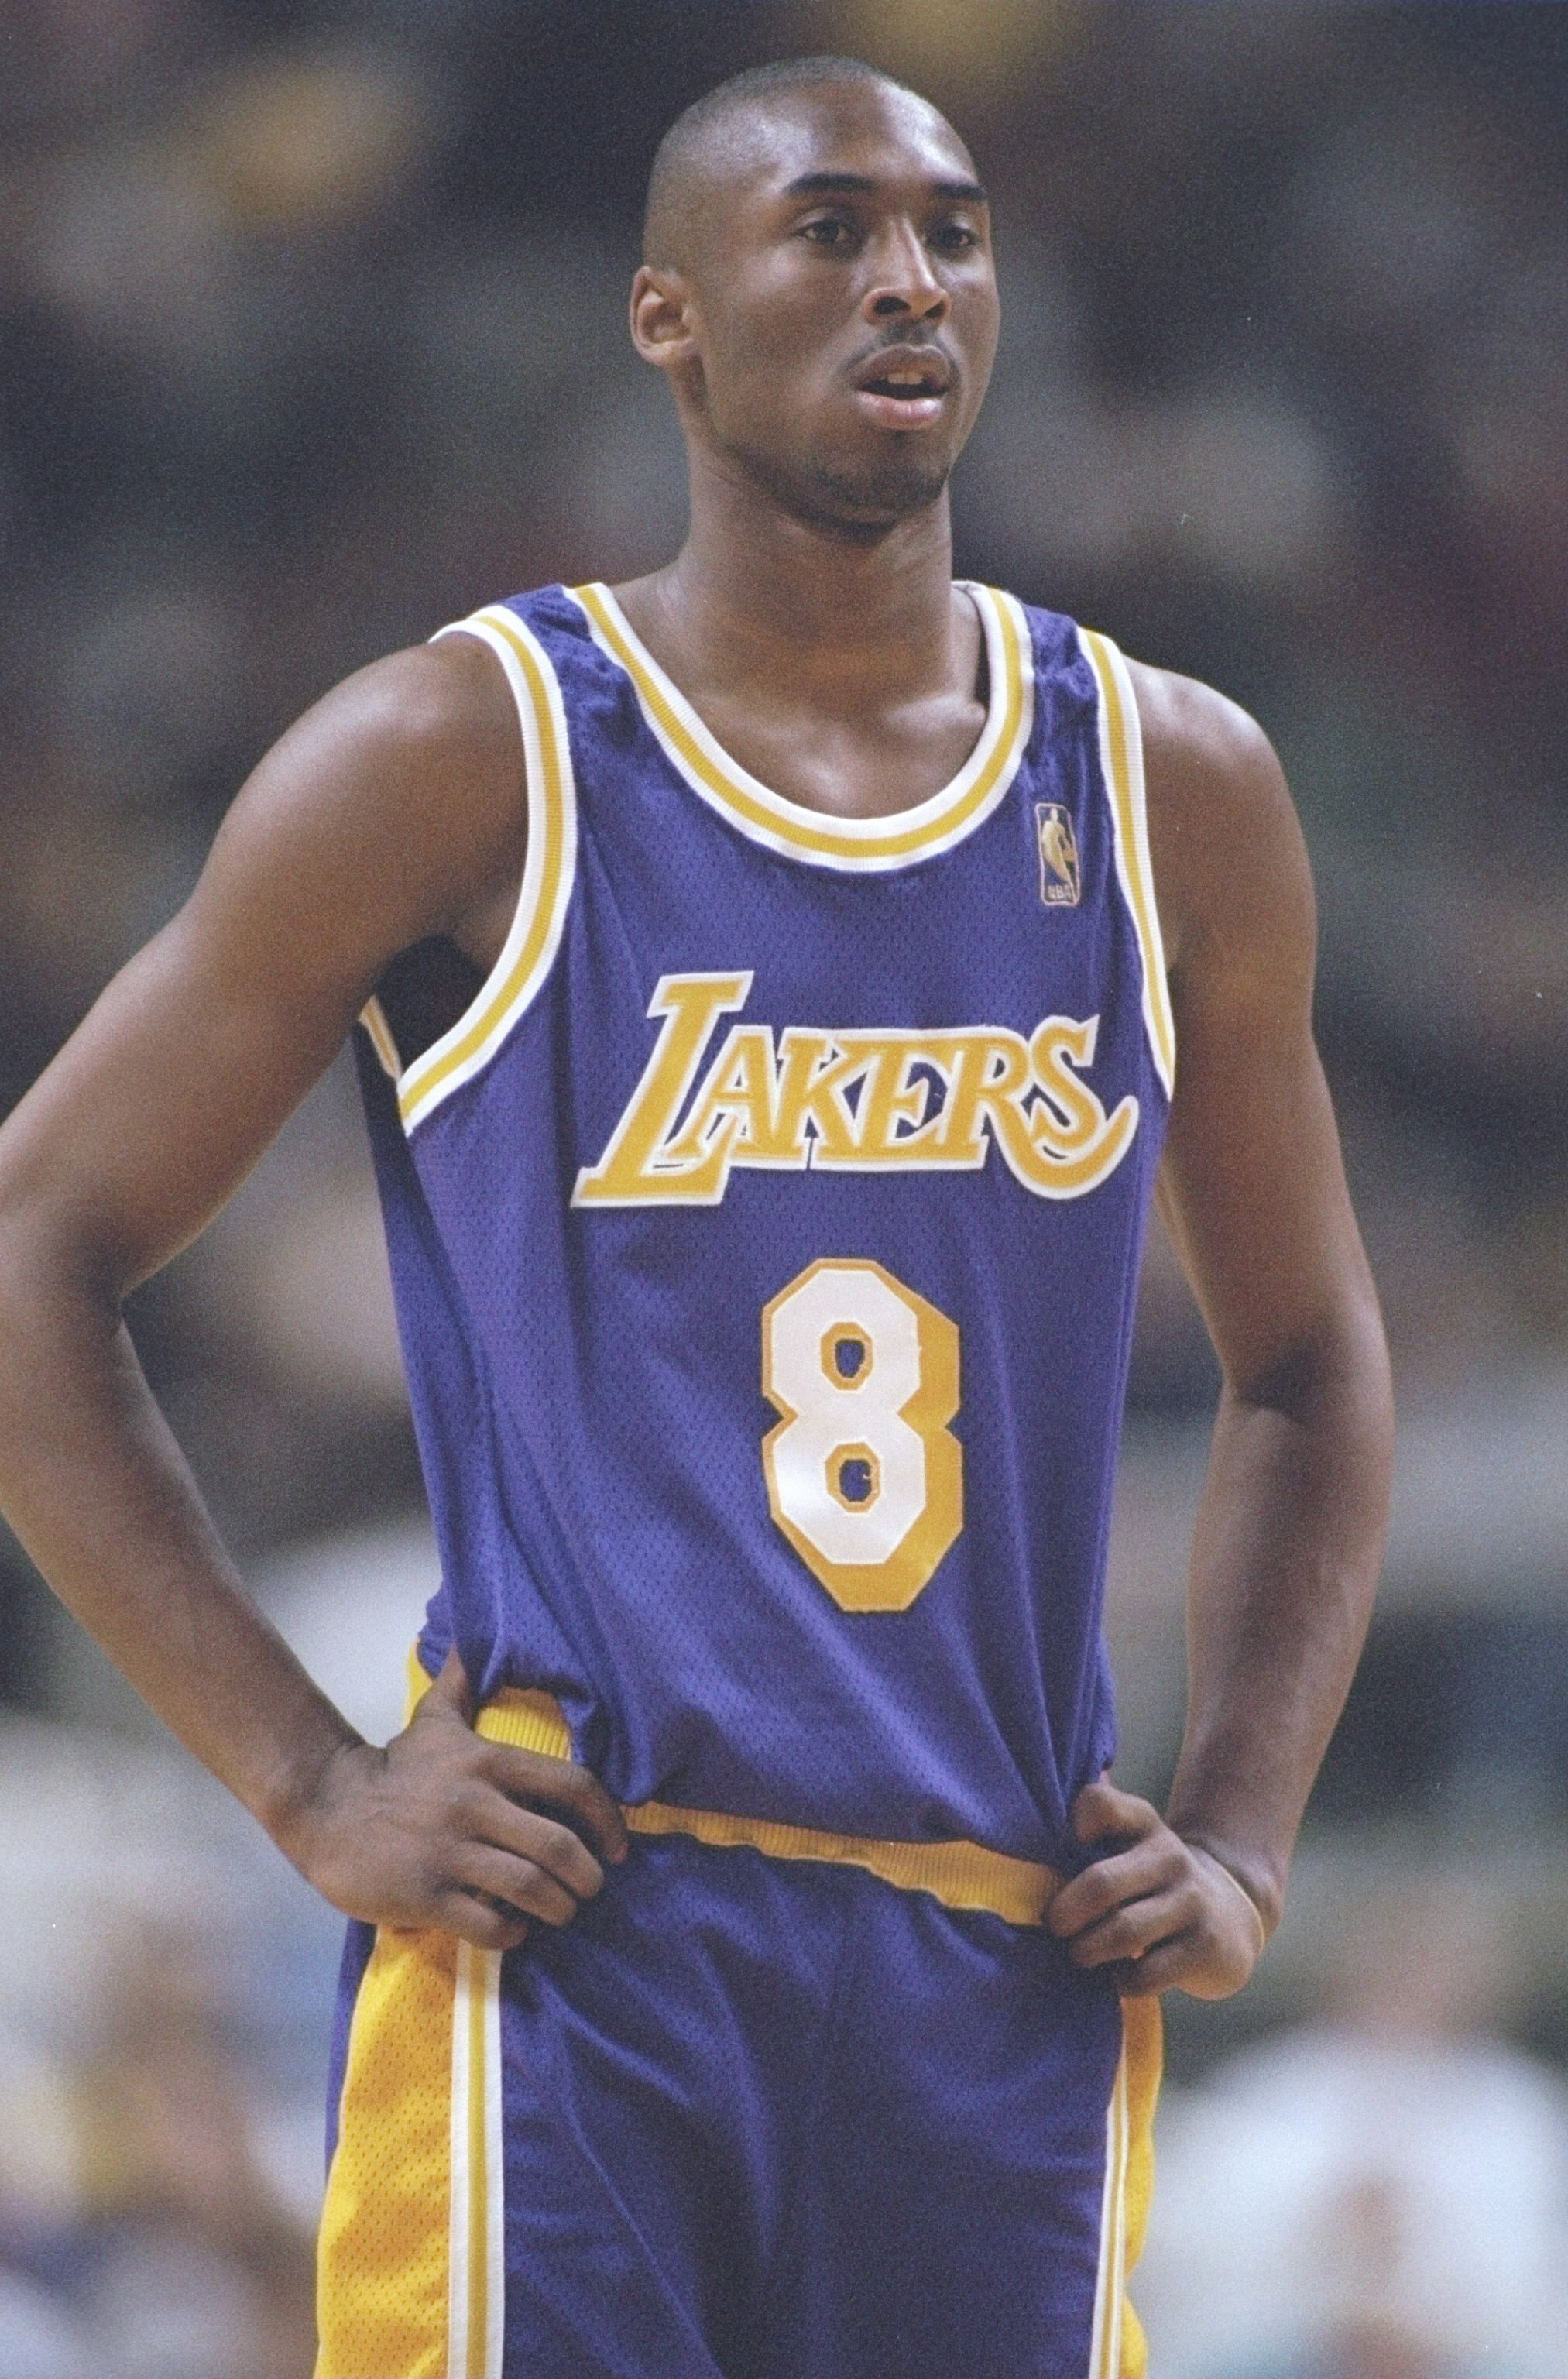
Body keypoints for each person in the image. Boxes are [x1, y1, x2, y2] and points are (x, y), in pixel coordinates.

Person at [0, 53, 1393, 2379]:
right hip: (584, 1936)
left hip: (996, 1958)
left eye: (950, 233)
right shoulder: (465, 751)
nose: (907, 284)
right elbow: (33, 1246)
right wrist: (311, 1777)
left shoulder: (1170, 785)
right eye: (827, 230)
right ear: (665, 314)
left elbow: (1314, 1366)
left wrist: (1243, 1829)